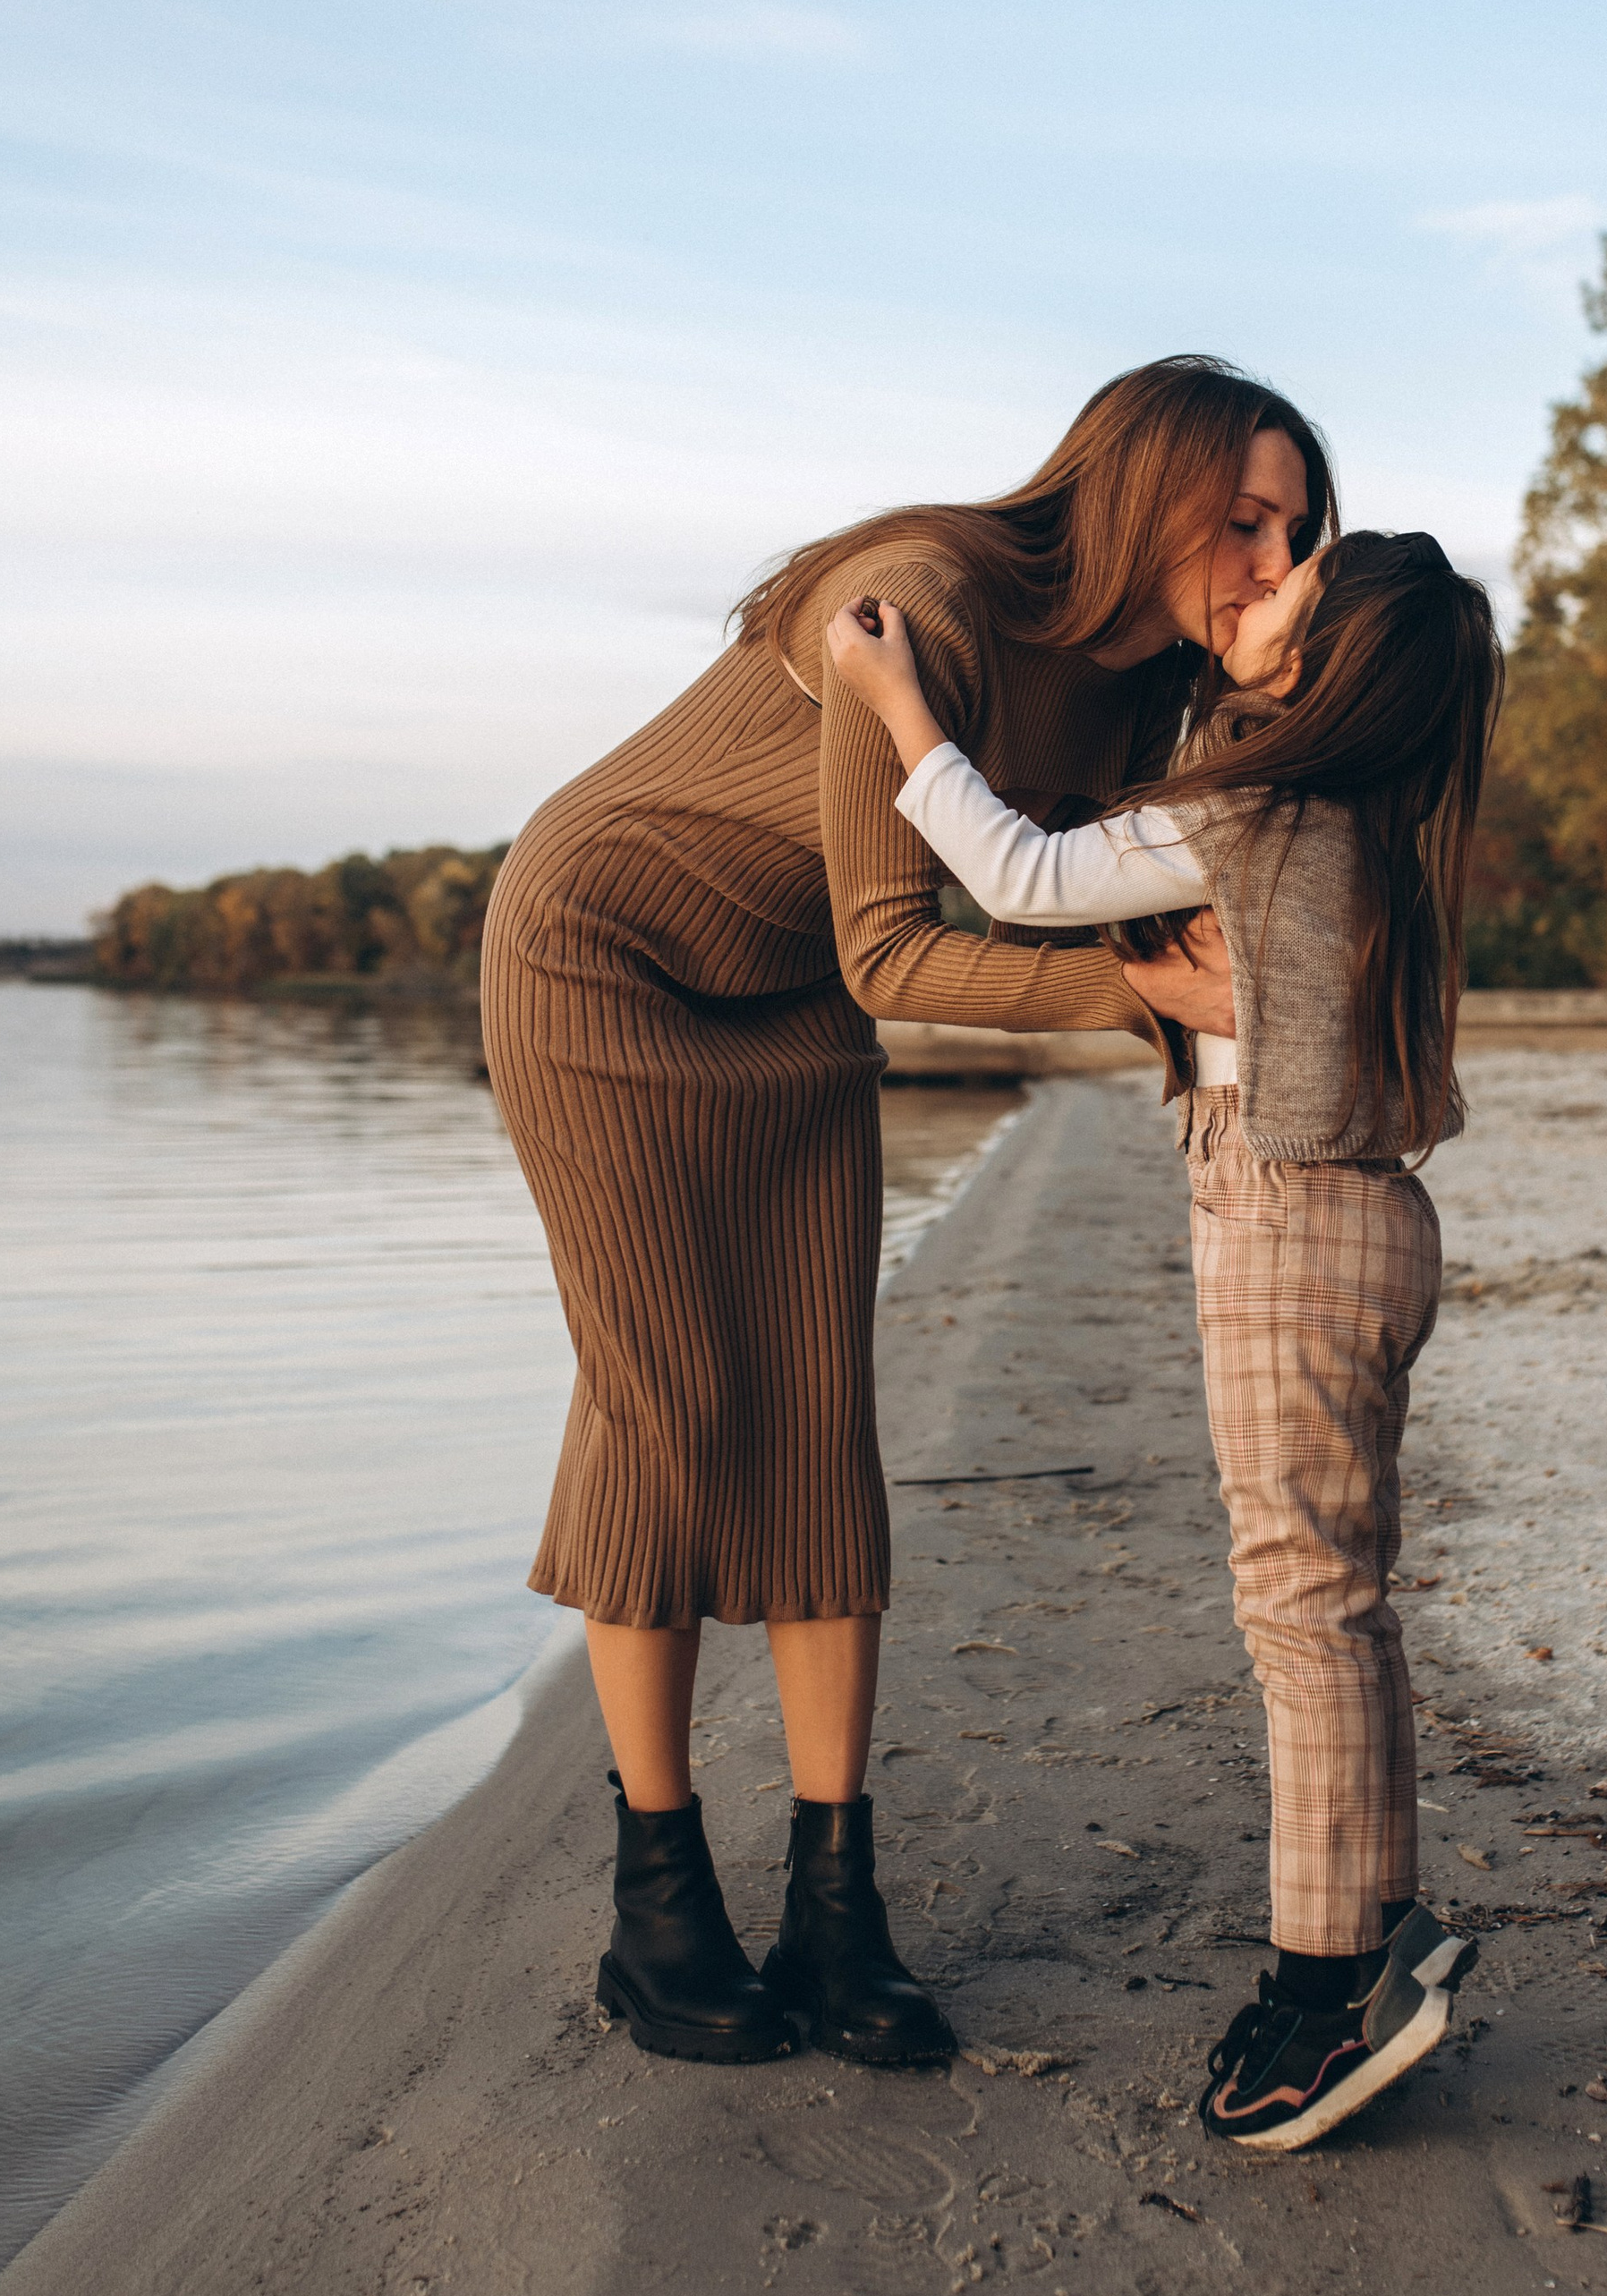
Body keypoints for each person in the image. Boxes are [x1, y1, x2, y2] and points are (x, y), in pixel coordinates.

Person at [480, 358, 1331, 2071]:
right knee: (669, 1405)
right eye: (1241, 519)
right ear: (1138, 485)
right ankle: (659, 1909)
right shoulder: (924, 602)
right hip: (602, 957)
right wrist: (1137, 996)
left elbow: (1110, 885)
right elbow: (905, 945)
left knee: (813, 1416)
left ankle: (834, 1902)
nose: (1265, 556)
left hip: (789, 998)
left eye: (1295, 532)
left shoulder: (1138, 697)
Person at [825, 521, 1504, 2149]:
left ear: (1331, 665)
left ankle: (1328, 1987)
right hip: (1365, 1218)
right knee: (1339, 1595)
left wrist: (898, 702)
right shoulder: (1351, 814)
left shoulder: (1262, 800)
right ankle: (1380, 1923)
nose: (1259, 585)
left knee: (1300, 1602)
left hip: (1290, 1213)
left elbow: (1022, 880)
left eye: (1288, 592)